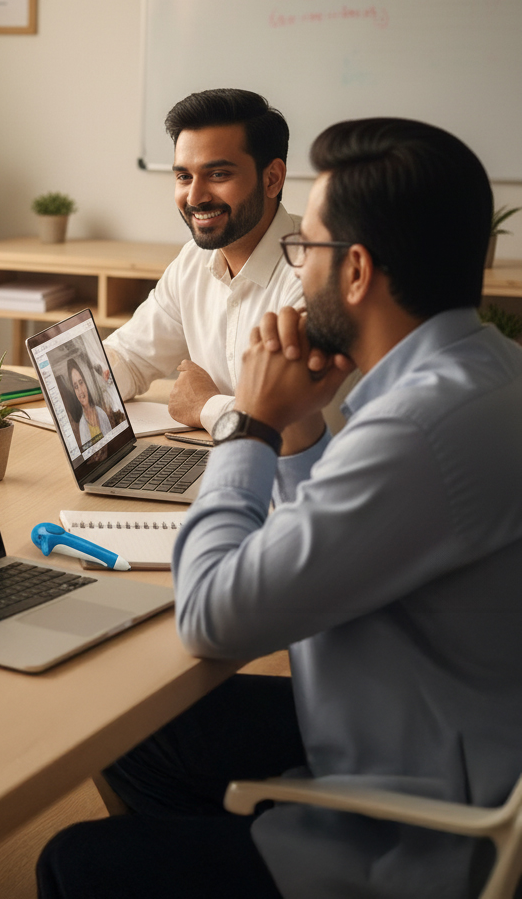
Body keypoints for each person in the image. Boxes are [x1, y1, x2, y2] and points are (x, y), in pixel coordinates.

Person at [38, 118, 522, 899]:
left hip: (421, 819)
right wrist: (297, 430)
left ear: (356, 270)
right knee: (135, 729)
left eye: (310, 248)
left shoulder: (418, 429)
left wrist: (251, 424)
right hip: (432, 716)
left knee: (76, 860)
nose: (298, 266)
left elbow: (210, 614)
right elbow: (337, 529)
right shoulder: (484, 370)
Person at [102, 89, 304, 434]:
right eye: (184, 177)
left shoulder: (315, 272)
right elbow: (132, 357)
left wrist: (205, 406)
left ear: (272, 178)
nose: (194, 197)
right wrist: (76, 380)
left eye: (218, 175)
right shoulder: (194, 260)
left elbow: (295, 426)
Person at [69, 358, 111, 447]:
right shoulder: (82, 426)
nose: (80, 390)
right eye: (76, 386)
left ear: (86, 383)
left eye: (81, 383)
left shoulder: (101, 413)